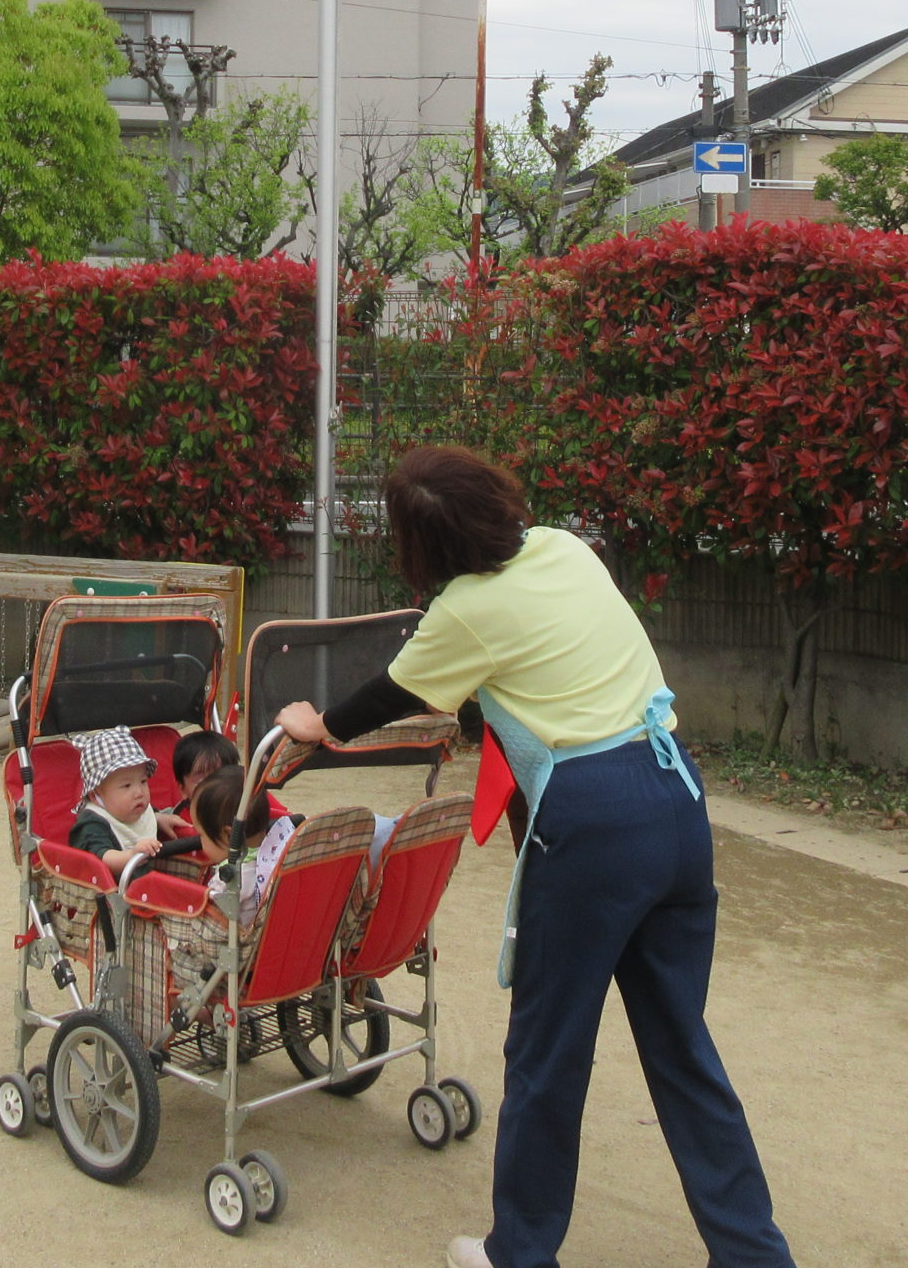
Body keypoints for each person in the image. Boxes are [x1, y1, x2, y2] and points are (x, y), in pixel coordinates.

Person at [277, 445, 794, 1268]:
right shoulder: (563, 546)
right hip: (675, 797)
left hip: (594, 823)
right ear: (497, 499)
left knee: (548, 1050)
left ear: (421, 548)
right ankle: (754, 1256)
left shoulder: (464, 613)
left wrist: (323, 727)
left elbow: (390, 695)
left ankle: (520, 1252)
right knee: (681, 1046)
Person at [186, 762, 297, 925]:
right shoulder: (278, 861)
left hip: (235, 947)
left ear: (229, 835)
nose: (199, 841)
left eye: (201, 835)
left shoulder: (229, 883)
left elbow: (209, 928)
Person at [64, 727, 167, 885]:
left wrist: (160, 818)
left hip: (148, 887)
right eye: (126, 786)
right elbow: (101, 859)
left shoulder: (135, 807)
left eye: (143, 781)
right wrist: (132, 855)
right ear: (96, 796)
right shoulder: (92, 822)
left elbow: (145, 817)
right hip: (114, 896)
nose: (139, 792)